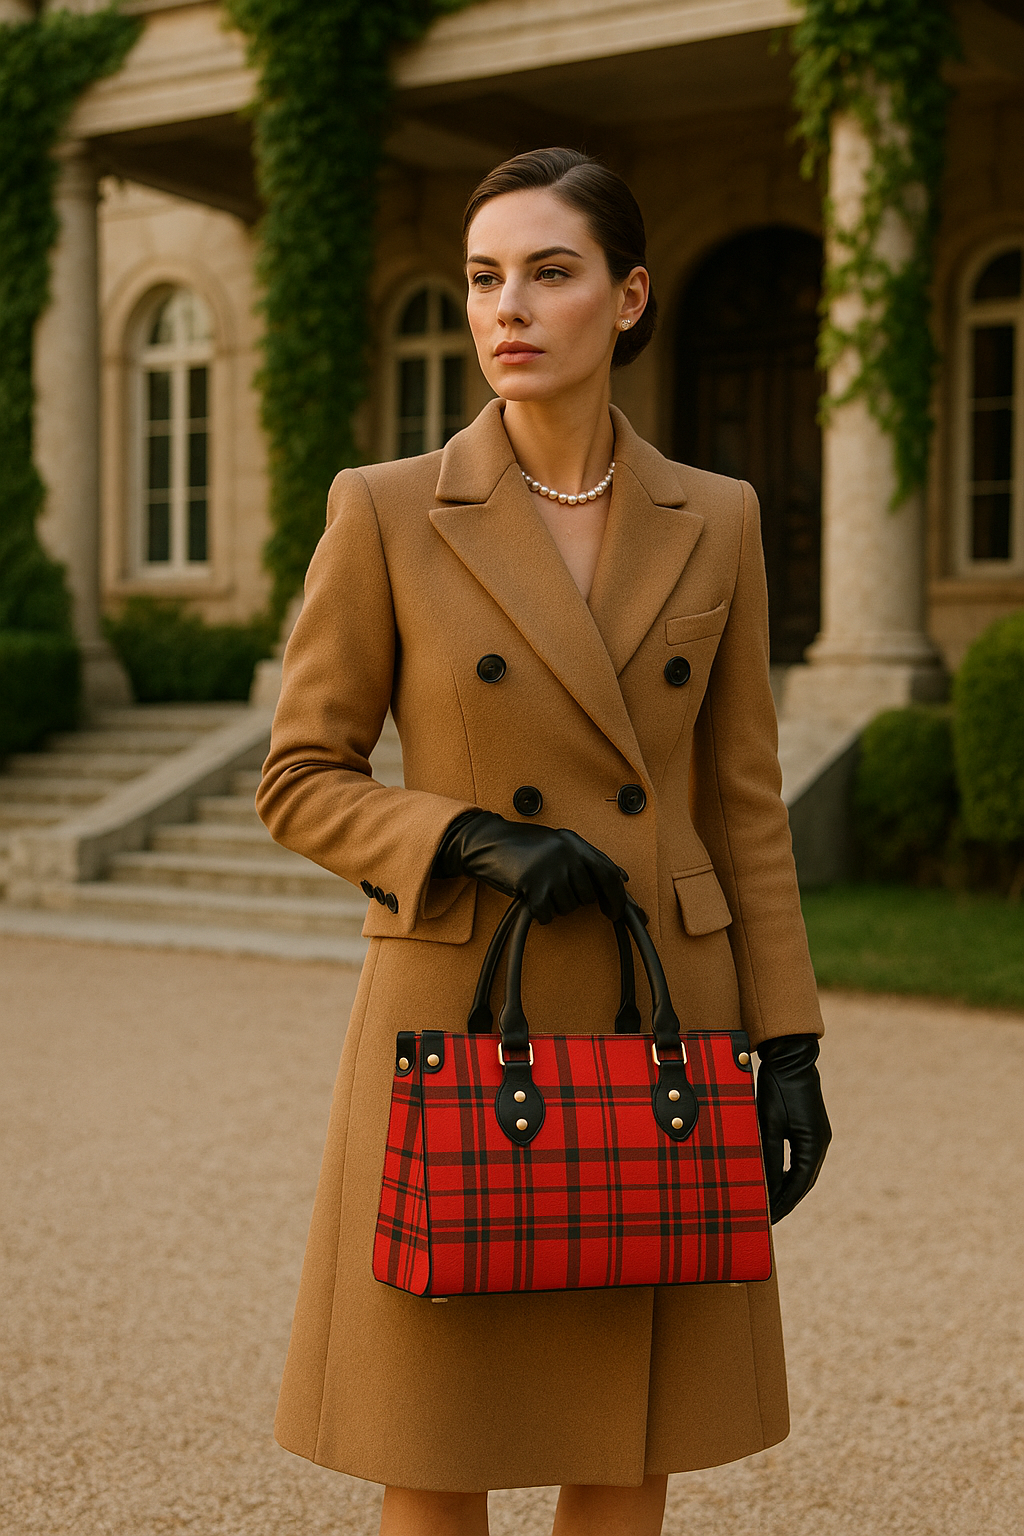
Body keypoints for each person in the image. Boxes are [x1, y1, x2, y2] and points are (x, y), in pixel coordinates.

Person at [257, 147, 831, 1536]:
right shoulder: (386, 508)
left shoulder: (723, 518)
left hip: (662, 1016)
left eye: (549, 273)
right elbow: (298, 774)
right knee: (437, 1438)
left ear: (629, 300)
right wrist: (462, 836)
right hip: (459, 1009)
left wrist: (793, 1043)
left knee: (626, 1444)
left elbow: (742, 800)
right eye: (482, 277)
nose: (506, 307)